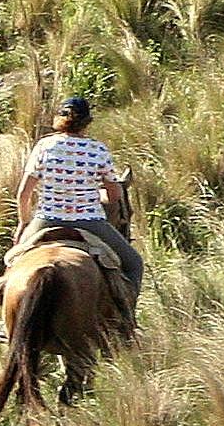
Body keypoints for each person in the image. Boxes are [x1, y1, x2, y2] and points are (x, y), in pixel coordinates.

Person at [13, 94, 145, 330]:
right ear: (87, 122)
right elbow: (114, 196)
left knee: (14, 262)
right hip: (90, 221)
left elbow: (24, 194)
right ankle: (126, 319)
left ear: (59, 120)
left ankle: (5, 324)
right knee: (134, 263)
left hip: (46, 219)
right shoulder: (98, 150)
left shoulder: (44, 146)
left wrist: (24, 223)